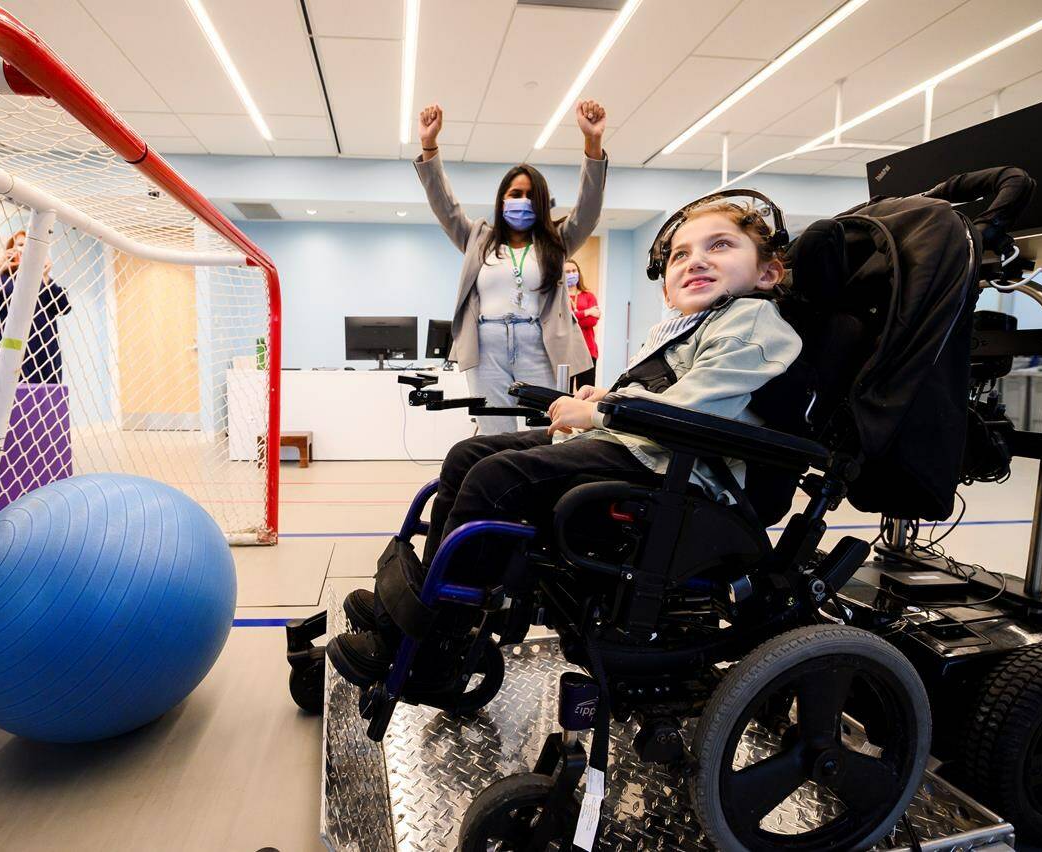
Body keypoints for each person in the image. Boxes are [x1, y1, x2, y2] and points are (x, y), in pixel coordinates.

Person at [328, 197, 803, 687]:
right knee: (469, 454)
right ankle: (419, 607)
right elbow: (665, 390)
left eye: (720, 245)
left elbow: (698, 407)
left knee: (496, 479)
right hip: (641, 449)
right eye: (680, 254)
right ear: (665, 281)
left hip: (677, 472)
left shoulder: (750, 320)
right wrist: (610, 397)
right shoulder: (688, 326)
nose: (695, 259)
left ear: (768, 273)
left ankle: (436, 648)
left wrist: (600, 411)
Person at [415, 100, 607, 434]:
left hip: (539, 344)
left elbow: (588, 209)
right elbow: (445, 206)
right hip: (486, 342)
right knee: (494, 432)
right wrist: (429, 146)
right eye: (515, 193)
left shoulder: (557, 241)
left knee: (540, 431)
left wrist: (592, 144)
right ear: (502, 199)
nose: (522, 200)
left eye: (530, 195)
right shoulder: (477, 237)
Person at [0, 230, 72, 384]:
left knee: (47, 397)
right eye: (21, 245)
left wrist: (45, 277)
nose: (25, 249)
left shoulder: (42, 279)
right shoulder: (0, 278)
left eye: (30, 246)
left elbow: (64, 307)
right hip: (11, 346)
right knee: (13, 394)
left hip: (45, 349)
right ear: (11, 249)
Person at [566, 259, 600, 390]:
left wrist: (574, 316)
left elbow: (592, 321)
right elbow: (564, 321)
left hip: (588, 351)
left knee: (586, 393)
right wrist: (587, 312)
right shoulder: (560, 297)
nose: (572, 273)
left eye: (574, 270)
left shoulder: (588, 296)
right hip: (566, 352)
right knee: (564, 392)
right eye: (567, 272)